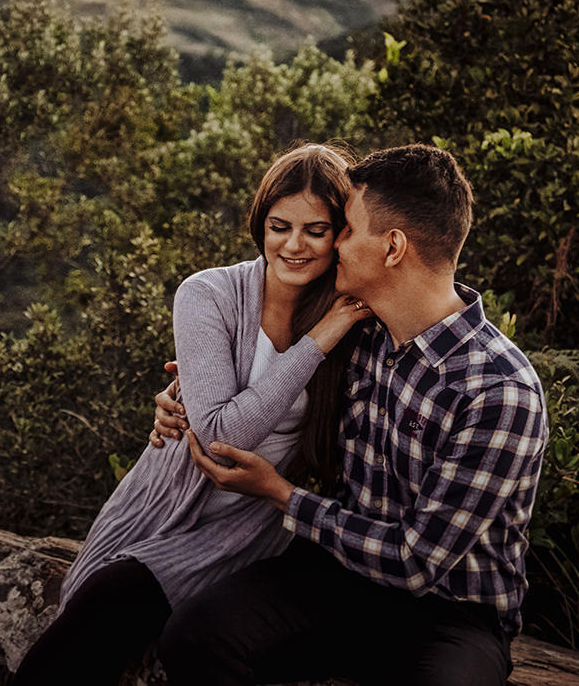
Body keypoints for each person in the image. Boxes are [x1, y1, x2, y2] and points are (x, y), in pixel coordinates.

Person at [150, 143, 549, 686]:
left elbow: (416, 562)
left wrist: (281, 494)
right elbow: (264, 379)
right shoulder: (361, 335)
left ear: (392, 248)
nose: (333, 242)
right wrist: (182, 395)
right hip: (336, 575)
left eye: (346, 229)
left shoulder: (498, 391)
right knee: (195, 635)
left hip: (451, 611)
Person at [11, 144, 374, 685]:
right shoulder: (208, 293)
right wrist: (317, 343)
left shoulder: (355, 315)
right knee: (92, 608)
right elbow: (220, 433)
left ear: (342, 234)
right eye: (279, 226)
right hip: (163, 501)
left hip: (251, 526)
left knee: (118, 598)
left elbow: (233, 431)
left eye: (315, 231)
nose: (293, 245)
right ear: (259, 223)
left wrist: (326, 334)